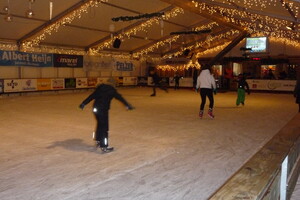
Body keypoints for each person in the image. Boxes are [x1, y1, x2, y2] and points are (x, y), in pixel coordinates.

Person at [79, 78, 134, 152]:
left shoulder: (100, 88)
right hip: (103, 110)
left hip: (95, 109)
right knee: (104, 128)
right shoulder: (112, 90)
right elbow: (120, 97)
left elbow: (92, 96)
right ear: (114, 84)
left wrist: (84, 103)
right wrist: (127, 105)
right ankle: (104, 146)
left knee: (99, 124)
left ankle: (98, 140)